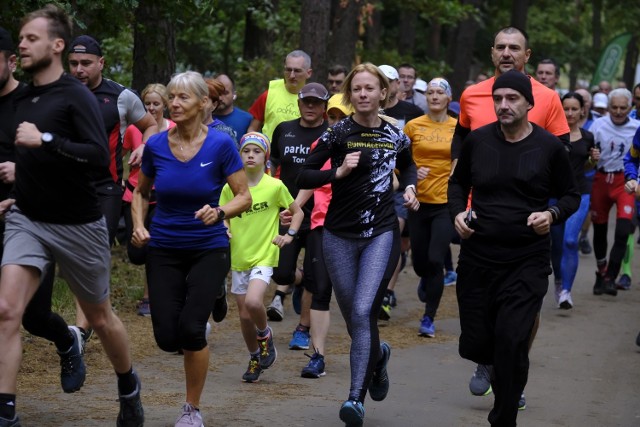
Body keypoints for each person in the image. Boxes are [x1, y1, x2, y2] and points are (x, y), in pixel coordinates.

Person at [0, 6, 144, 426]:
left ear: (56, 45)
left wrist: (44, 139)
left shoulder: (76, 95)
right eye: (20, 40)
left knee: (99, 316)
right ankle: (6, 412)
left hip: (78, 223)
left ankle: (128, 385)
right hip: (28, 219)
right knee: (8, 310)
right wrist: (14, 176)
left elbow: (98, 158)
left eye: (31, 38)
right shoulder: (22, 98)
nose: (23, 45)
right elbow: (16, 153)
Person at [448, 70, 579, 427]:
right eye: (498, 98)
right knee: (477, 344)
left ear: (529, 103)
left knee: (511, 339)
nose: (503, 105)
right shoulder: (478, 141)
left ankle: (503, 417)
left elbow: (571, 195)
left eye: (512, 99)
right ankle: (503, 365)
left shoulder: (548, 147)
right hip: (479, 256)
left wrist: (550, 215)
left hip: (526, 259)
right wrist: (458, 214)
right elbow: (457, 184)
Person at [297, 63, 419, 426]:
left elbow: (409, 166)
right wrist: (338, 172)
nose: (363, 94)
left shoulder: (396, 135)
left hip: (380, 233)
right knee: (354, 316)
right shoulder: (337, 134)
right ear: (350, 95)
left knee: (365, 310)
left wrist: (410, 187)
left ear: (384, 94)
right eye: (357, 89)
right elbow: (303, 173)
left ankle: (354, 398)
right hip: (338, 235)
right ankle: (377, 357)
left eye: (370, 88)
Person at [130, 71, 251, 426]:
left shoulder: (221, 145)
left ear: (203, 103)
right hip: (165, 247)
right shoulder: (155, 146)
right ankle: (211, 297)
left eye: (183, 98)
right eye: (172, 97)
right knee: (168, 338)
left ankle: (191, 409)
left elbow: (244, 196)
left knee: (192, 331)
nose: (174, 104)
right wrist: (138, 224)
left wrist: (220, 211)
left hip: (207, 247)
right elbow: (140, 192)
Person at [66, 33, 158, 343]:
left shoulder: (120, 96)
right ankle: (95, 313)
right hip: (65, 187)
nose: (79, 69)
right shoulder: (58, 92)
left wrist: (145, 146)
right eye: (74, 63)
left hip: (105, 188)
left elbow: (151, 125)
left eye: (86, 63)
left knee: (92, 253)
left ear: (101, 63)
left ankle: (80, 330)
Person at [280, 94, 354, 378]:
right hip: (323, 225)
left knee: (355, 298)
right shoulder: (320, 145)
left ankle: (367, 350)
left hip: (359, 229)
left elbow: (393, 179)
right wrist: (294, 208)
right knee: (321, 289)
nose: (335, 123)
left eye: (341, 118)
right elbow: (309, 182)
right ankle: (318, 356)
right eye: (332, 118)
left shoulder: (367, 146)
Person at [220, 131, 303, 383]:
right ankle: (255, 356)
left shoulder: (275, 186)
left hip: (264, 254)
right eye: (246, 151)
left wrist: (288, 235)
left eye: (256, 151)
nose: (251, 155)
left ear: (265, 156)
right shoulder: (230, 187)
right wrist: (224, 228)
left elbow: (297, 212)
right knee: (244, 316)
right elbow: (223, 214)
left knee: (255, 303)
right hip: (239, 257)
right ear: (239, 156)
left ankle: (265, 334)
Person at [265, 83, 329, 343]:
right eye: (306, 102)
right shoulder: (285, 130)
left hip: (319, 216)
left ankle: (302, 329)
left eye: (316, 102)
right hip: (288, 214)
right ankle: (297, 279)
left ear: (324, 106)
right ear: (299, 103)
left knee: (316, 278)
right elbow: (273, 160)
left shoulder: (330, 134)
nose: (311, 106)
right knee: (280, 274)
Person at [404, 77, 457, 337]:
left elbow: (461, 158)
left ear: (449, 98)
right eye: (431, 93)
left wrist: (454, 177)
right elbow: (400, 162)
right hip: (418, 203)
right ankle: (425, 277)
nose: (435, 96)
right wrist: (413, 174)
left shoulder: (457, 128)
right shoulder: (413, 127)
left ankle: (429, 317)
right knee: (419, 263)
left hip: (444, 204)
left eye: (440, 93)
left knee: (437, 260)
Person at [122, 83, 176, 317]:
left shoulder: (174, 129)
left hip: (163, 195)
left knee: (155, 247)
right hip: (134, 193)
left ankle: (149, 297)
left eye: (156, 103)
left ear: (165, 105)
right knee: (137, 252)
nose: (152, 108)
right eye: (148, 104)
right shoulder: (135, 129)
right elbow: (118, 155)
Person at [376, 64, 423, 320]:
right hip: (372, 184)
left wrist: (417, 172)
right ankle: (380, 289)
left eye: (390, 80)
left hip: (400, 184)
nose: (386, 85)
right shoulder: (368, 111)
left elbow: (422, 143)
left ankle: (386, 292)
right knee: (390, 242)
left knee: (394, 236)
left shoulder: (412, 112)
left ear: (397, 85)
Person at [550, 92, 598, 309]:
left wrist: (592, 160)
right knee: (557, 244)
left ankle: (567, 292)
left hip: (580, 193)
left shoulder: (588, 137)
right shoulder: (551, 135)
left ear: (582, 110)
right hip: (554, 195)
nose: (569, 113)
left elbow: (587, 166)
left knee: (570, 240)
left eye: (574, 109)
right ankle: (559, 280)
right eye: (566, 108)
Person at [589, 88, 639, 296]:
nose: (618, 112)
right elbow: (586, 150)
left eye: (623, 108)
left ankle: (611, 275)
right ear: (608, 107)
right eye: (614, 107)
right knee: (599, 230)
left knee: (623, 230)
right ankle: (601, 271)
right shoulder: (598, 124)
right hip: (601, 179)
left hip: (623, 181)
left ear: (631, 107)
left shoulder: (637, 127)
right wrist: (591, 156)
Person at [247, 50, 312, 141]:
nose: (292, 75)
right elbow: (252, 129)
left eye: (297, 71)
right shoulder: (269, 95)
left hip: (301, 153)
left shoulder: (314, 100)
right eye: (288, 70)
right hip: (269, 153)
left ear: (308, 73)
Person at [214, 73, 253, 141]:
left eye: (225, 93)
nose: (220, 98)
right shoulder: (204, 119)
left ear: (234, 94)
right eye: (218, 93)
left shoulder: (247, 119)